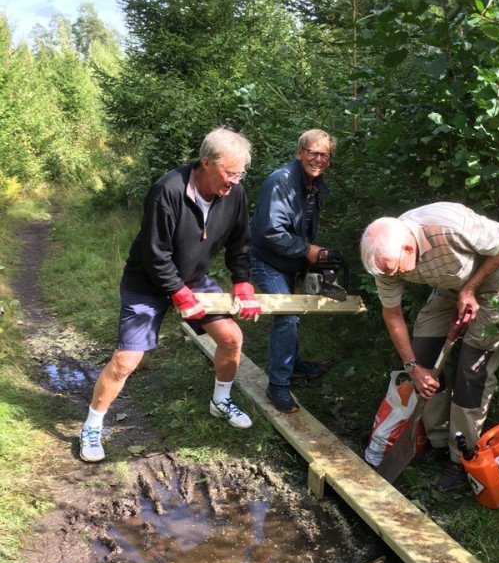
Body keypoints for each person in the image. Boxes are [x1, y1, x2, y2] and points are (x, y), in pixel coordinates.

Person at [79, 127, 261, 463]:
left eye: (240, 173)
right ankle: (92, 425)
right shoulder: (168, 191)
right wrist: (177, 293)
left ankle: (220, 401)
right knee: (125, 361)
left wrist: (243, 283)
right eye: (229, 172)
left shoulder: (234, 193)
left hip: (193, 278)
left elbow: (241, 243)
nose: (235, 180)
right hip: (147, 281)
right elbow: (155, 254)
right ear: (206, 163)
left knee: (232, 338)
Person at [360, 203, 499, 491]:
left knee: (472, 371)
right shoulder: (385, 259)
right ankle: (435, 441)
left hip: (493, 277)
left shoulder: (449, 226)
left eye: (395, 272)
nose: (392, 278)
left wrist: (470, 290)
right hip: (449, 285)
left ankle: (461, 457)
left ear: (409, 250)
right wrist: (413, 368)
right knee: (423, 357)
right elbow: (392, 313)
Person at [250, 129, 337, 413]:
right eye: (313, 152)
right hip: (265, 259)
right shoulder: (282, 181)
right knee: (287, 316)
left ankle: (292, 363)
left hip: (290, 260)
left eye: (325, 154)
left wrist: (307, 254)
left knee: (294, 313)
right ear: (300, 152)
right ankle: (278, 385)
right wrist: (308, 250)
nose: (318, 158)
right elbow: (269, 232)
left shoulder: (314, 183)